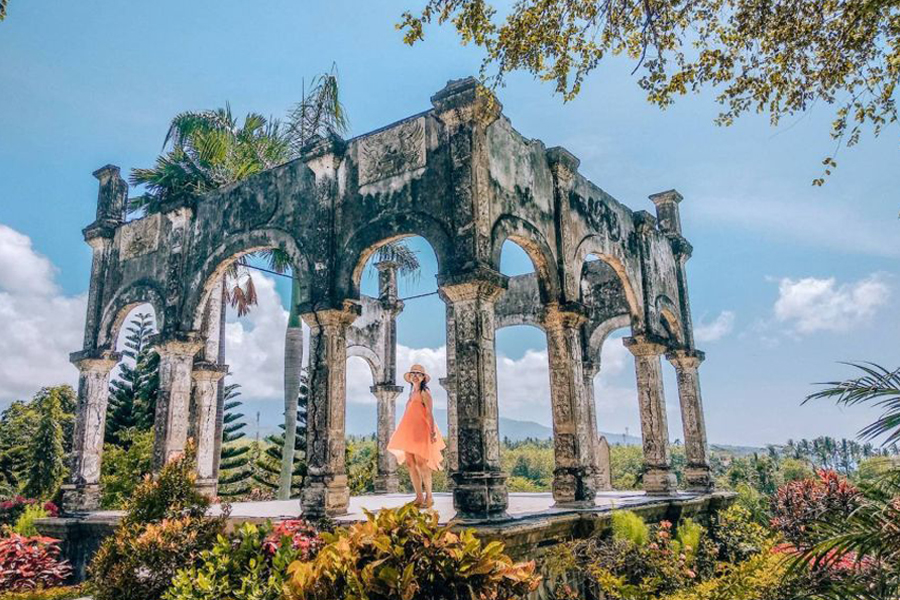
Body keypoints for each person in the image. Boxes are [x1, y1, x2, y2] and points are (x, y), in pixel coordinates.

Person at [387, 364, 446, 508]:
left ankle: (429, 497)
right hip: (409, 430)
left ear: (423, 377)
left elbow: (429, 413)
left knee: (422, 464)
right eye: (413, 373)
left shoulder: (424, 392)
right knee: (410, 463)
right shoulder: (411, 393)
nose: (415, 376)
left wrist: (432, 431)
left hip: (421, 430)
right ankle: (419, 497)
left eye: (419, 374)